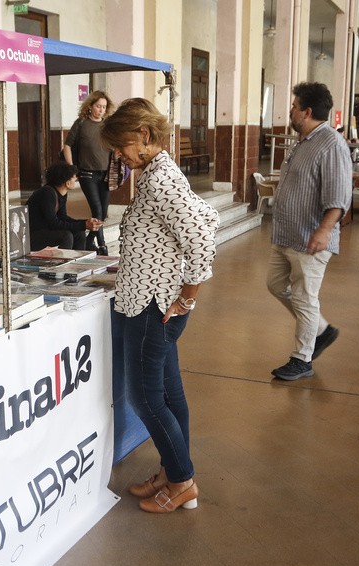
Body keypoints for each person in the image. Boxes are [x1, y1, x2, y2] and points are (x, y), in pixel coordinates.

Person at [100, 98, 219, 514]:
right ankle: (173, 471)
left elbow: (202, 239)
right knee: (169, 394)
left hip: (153, 308)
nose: (119, 154)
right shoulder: (156, 174)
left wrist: (188, 296)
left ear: (144, 136)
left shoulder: (161, 181)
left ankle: (183, 480)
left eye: (121, 146)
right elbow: (206, 219)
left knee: (145, 398)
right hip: (149, 301)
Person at [267, 82, 352, 381]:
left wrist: (324, 231)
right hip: (287, 235)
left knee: (305, 299)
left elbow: (339, 196)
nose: (290, 110)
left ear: (308, 111)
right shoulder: (302, 141)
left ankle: (302, 359)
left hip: (311, 239)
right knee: (276, 285)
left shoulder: (331, 144)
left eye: (294, 106)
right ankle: (321, 330)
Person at [63, 91, 114, 254]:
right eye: (98, 106)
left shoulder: (107, 125)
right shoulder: (81, 123)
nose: (101, 110)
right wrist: (71, 168)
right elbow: (67, 145)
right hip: (87, 174)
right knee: (97, 210)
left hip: (106, 174)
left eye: (104, 107)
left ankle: (88, 240)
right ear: (90, 106)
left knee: (103, 212)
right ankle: (102, 245)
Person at [26, 161, 103, 251]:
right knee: (66, 236)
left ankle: (78, 263)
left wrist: (85, 223)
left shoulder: (61, 193)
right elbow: (54, 223)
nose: (76, 179)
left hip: (45, 231)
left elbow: (63, 217)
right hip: (31, 236)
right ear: (67, 183)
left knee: (79, 233)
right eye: (74, 177)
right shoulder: (47, 193)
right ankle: (64, 263)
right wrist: (83, 224)